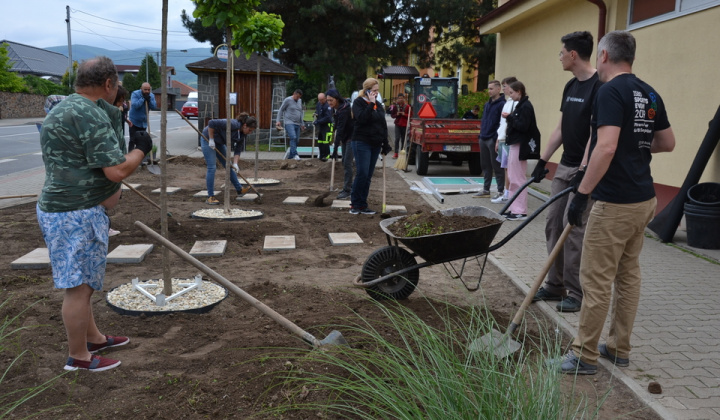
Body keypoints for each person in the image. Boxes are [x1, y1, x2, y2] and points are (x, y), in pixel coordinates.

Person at [557, 30, 675, 375]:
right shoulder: (649, 93)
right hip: (644, 199)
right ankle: (619, 348)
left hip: (615, 203)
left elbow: (605, 147)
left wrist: (581, 195)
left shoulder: (609, 91)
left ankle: (584, 355)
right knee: (627, 276)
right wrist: (635, 145)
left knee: (595, 279)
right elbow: (667, 143)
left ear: (604, 56)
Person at [37, 56, 152, 372]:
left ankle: (95, 339)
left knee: (83, 283)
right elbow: (116, 171)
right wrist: (141, 149)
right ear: (108, 84)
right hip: (75, 214)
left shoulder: (68, 107)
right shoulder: (87, 114)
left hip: (67, 210)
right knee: (79, 288)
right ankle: (79, 357)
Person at [531, 31, 602, 313]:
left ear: (574, 55)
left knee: (574, 229)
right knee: (553, 223)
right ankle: (554, 284)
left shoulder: (600, 86)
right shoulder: (571, 86)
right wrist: (542, 160)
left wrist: (584, 172)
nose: (559, 57)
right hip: (565, 164)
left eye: (561, 52)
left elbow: (596, 136)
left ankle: (575, 292)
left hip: (586, 169)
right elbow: (560, 129)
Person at [350, 78, 391, 214]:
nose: (376, 93)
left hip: (375, 143)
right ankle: (355, 204)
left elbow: (382, 124)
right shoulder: (358, 103)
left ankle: (363, 204)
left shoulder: (378, 105)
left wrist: (385, 142)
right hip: (361, 142)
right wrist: (370, 104)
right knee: (362, 173)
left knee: (368, 175)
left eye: (377, 91)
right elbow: (362, 119)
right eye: (374, 91)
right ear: (367, 90)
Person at [504, 80, 539, 220]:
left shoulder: (526, 107)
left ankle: (520, 211)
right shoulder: (521, 105)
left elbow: (523, 126)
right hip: (515, 144)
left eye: (512, 93)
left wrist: (510, 117)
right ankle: (514, 207)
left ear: (519, 92)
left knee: (518, 178)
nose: (510, 95)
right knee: (513, 177)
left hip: (520, 145)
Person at [201, 116, 253, 204]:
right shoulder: (232, 124)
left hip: (220, 142)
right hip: (208, 139)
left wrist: (235, 163)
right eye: (250, 130)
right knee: (212, 167)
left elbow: (238, 150)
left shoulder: (243, 135)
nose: (250, 132)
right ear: (244, 125)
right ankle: (210, 196)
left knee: (229, 165)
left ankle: (239, 189)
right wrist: (211, 139)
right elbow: (211, 123)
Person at [473, 80, 505, 199]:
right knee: (485, 165)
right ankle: (486, 189)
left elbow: (502, 124)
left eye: (491, 89)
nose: (489, 91)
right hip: (483, 138)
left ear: (498, 89)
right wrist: (481, 135)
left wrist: (495, 138)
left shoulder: (502, 104)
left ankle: (500, 190)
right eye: (488, 89)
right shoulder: (487, 104)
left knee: (497, 166)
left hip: (492, 139)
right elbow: (484, 121)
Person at [492, 76, 518, 205]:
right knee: (505, 167)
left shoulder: (516, 103)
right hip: (502, 139)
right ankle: (507, 193)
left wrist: (505, 138)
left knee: (509, 168)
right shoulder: (508, 102)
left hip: (509, 140)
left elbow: (511, 123)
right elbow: (502, 124)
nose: (503, 89)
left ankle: (508, 194)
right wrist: (498, 139)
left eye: (505, 86)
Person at [326, 89, 355, 200]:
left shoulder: (344, 110)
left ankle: (348, 190)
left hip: (352, 137)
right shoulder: (337, 109)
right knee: (345, 162)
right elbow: (337, 126)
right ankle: (349, 186)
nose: (329, 103)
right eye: (328, 100)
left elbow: (341, 129)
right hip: (345, 137)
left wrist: (334, 150)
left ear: (337, 99)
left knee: (347, 163)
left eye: (331, 100)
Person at [275, 89, 304, 161]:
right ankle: (295, 154)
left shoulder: (300, 101)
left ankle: (290, 156)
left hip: (297, 123)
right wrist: (278, 120)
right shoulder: (287, 100)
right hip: (289, 122)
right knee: (293, 137)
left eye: (299, 97)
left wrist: (302, 123)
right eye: (297, 97)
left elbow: (300, 112)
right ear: (294, 94)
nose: (297, 98)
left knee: (297, 140)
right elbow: (281, 109)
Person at [388, 93, 410, 159]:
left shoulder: (407, 106)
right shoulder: (395, 107)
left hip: (404, 124)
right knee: (397, 138)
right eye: (399, 98)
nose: (400, 99)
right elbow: (392, 116)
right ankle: (396, 153)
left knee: (403, 139)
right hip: (397, 124)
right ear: (398, 99)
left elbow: (410, 115)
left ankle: (402, 153)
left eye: (402, 98)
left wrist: (404, 114)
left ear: (404, 99)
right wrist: (397, 114)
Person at [314, 92, 333, 161]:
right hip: (320, 126)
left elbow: (327, 117)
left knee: (325, 141)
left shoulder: (328, 105)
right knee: (320, 141)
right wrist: (315, 114)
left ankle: (326, 155)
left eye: (321, 100)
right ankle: (321, 154)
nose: (320, 101)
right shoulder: (319, 104)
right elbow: (317, 111)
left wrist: (318, 121)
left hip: (327, 126)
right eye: (319, 100)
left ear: (325, 98)